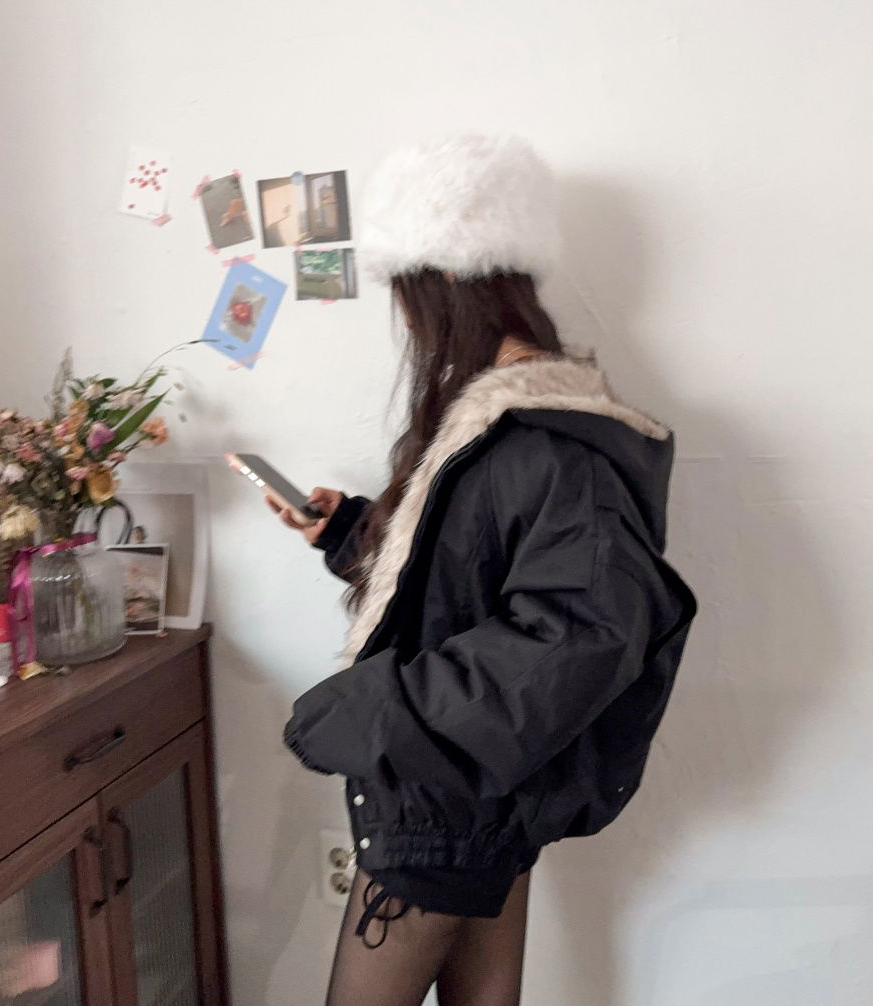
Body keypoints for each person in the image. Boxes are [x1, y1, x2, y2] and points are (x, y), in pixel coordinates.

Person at [274, 133, 698, 1006]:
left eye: (405, 293)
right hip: (472, 792)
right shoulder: (497, 423)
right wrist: (348, 532)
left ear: (443, 283)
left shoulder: (544, 440)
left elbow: (575, 640)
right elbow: (464, 578)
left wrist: (375, 709)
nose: (404, 320)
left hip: (444, 807)